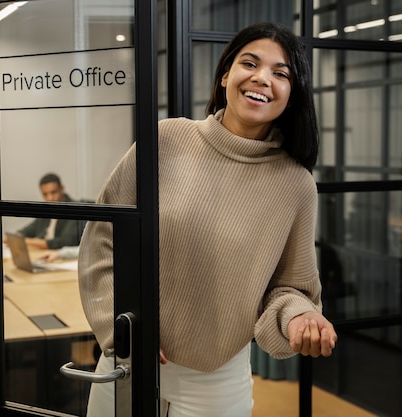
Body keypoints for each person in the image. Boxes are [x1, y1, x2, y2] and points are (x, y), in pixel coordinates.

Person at [78, 22, 337, 417]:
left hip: (215, 381)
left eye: (280, 73)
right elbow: (104, 237)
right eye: (249, 63)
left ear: (292, 94)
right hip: (128, 359)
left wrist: (299, 316)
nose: (262, 78)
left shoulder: (295, 184)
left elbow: (289, 287)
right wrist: (120, 330)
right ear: (225, 75)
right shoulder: (166, 139)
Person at [15, 173, 81, 249]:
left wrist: (26, 241)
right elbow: (27, 231)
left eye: (53, 192)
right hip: (44, 254)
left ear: (62, 189)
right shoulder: (47, 210)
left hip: (60, 256)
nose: (50, 198)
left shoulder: (75, 209)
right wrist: (14, 238)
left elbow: (64, 242)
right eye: (45, 194)